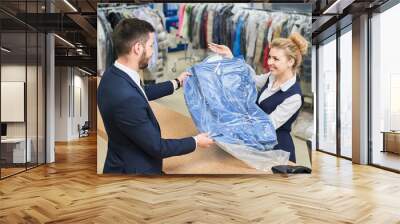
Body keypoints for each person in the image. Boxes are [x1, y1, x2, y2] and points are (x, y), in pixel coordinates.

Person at [98, 18, 214, 174]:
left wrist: (176, 82)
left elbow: (140, 91)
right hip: (137, 172)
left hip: (120, 158)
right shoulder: (127, 99)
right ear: (138, 48)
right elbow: (157, 147)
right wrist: (196, 141)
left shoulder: (113, 75)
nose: (153, 52)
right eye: (151, 46)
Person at [208, 32, 308, 163]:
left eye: (276, 59)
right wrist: (230, 57)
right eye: (270, 57)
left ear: (290, 61)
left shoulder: (294, 96)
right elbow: (251, 79)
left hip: (276, 150)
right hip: (257, 141)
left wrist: (234, 127)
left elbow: (268, 126)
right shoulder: (272, 77)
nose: (269, 62)